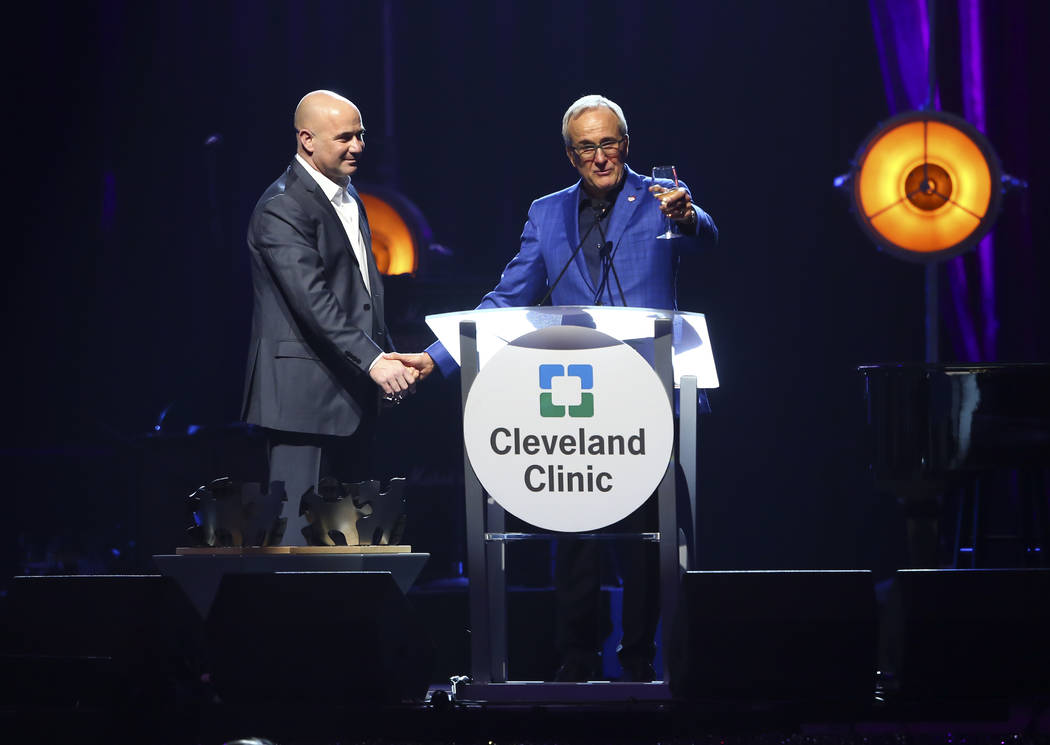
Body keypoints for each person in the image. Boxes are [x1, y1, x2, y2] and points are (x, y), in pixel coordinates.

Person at [388, 94, 718, 680]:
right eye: (586, 147)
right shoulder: (547, 214)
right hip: (579, 398)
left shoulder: (663, 198)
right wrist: (438, 358)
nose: (600, 157)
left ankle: (639, 659)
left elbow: (704, 236)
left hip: (648, 390)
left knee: (646, 535)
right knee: (577, 530)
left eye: (609, 143)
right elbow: (507, 298)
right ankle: (577, 657)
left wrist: (689, 217)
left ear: (626, 144)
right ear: (570, 155)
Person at [242, 90, 430, 546]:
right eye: (345, 137)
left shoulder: (348, 195)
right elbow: (313, 302)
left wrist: (387, 356)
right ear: (307, 140)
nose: (358, 146)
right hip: (301, 404)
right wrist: (375, 361)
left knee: (349, 545)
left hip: (352, 396)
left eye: (361, 135)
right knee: (297, 544)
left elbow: (362, 295)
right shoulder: (282, 206)